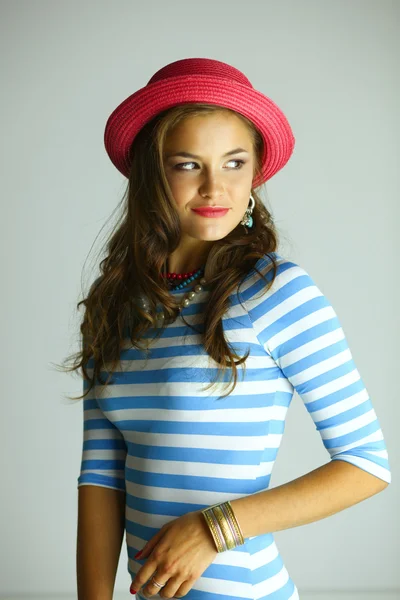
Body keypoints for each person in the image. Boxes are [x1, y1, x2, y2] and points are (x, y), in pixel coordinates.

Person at [73, 58, 391, 600]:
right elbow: (101, 477)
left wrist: (213, 528)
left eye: (234, 162)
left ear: (255, 173)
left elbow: (366, 465)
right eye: (187, 165)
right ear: (153, 173)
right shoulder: (118, 306)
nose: (214, 187)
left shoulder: (274, 291)